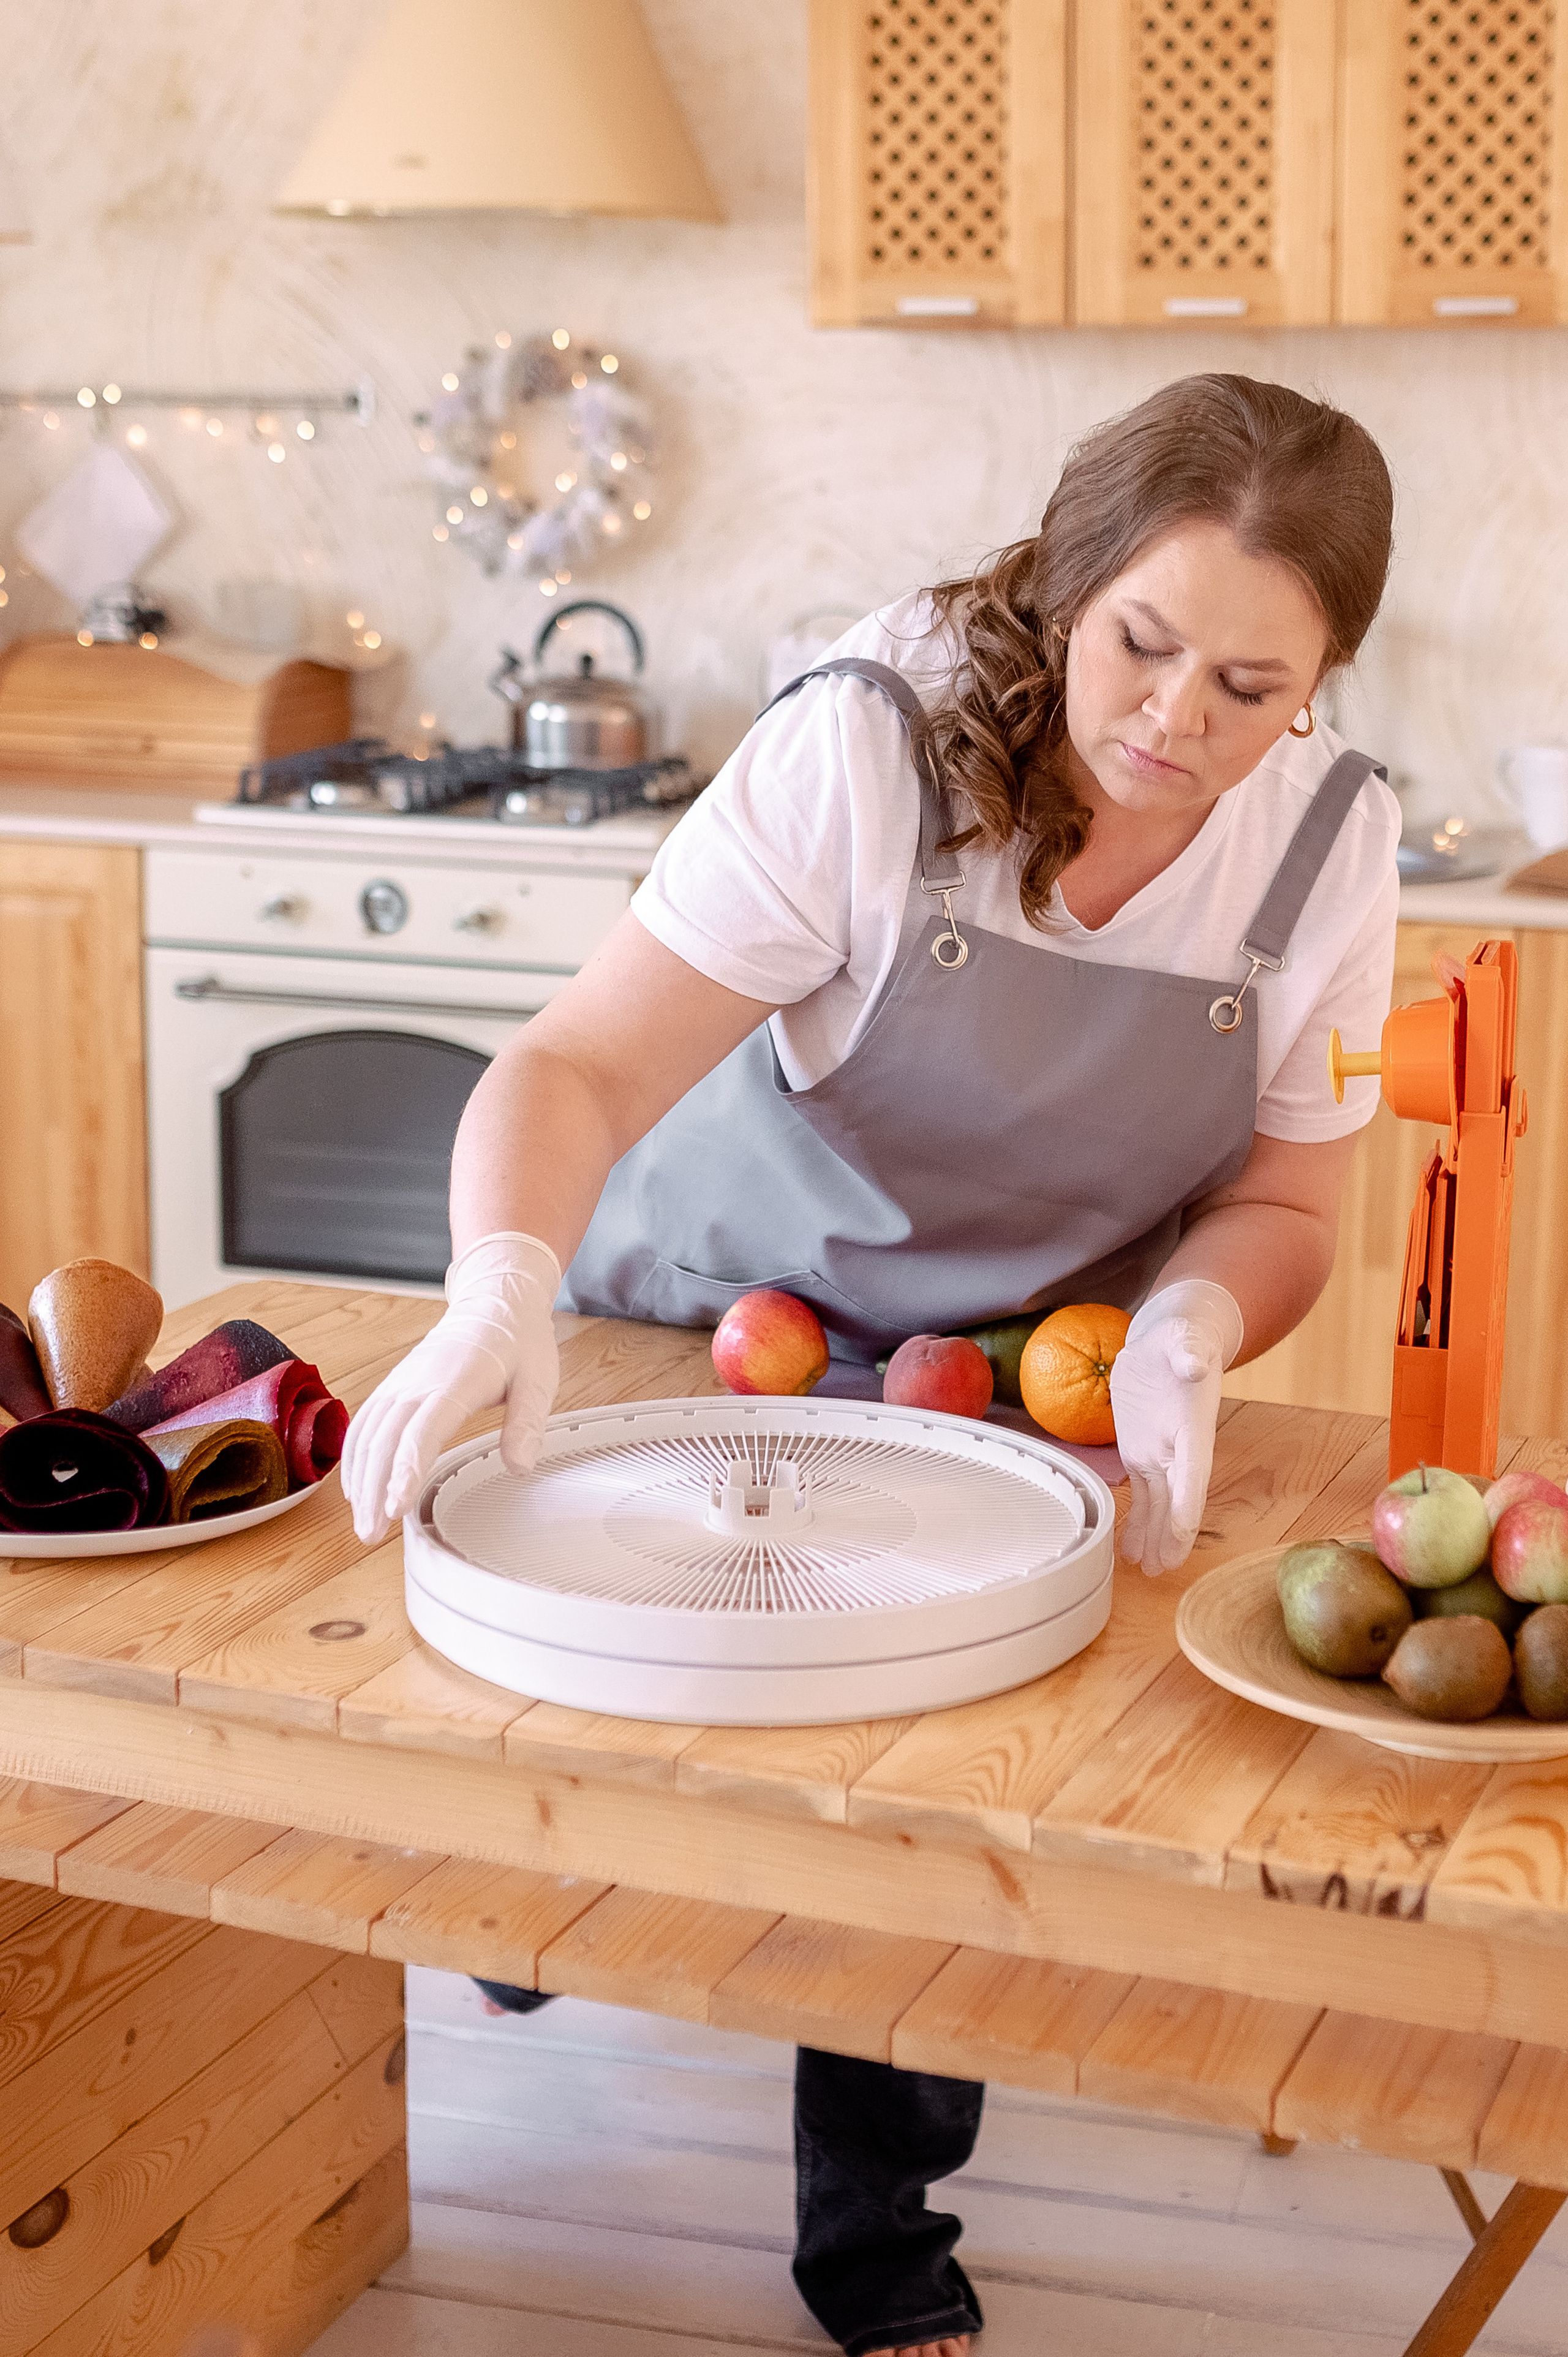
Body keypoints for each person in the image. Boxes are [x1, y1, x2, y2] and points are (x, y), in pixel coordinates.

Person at [342, 372, 1399, 2357]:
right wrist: (498, 1279)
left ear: (1325, 678)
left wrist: (1193, 1319)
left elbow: (1290, 1205)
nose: (1178, 723)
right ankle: (533, 1930)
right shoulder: (867, 748)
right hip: (732, 1314)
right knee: (621, 1708)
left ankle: (875, 2235)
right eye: (1140, 645)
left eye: (1251, 688)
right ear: (1069, 584)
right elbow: (574, 1065)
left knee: (925, 1766)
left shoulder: (1327, 843)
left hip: (1015, 1370)